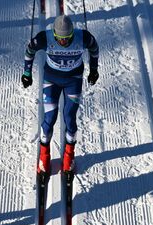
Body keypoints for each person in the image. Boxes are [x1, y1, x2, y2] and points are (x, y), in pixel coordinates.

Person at [22, 15, 99, 175]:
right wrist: (27, 73)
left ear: (72, 33)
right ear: (54, 34)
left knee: (70, 117)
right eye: (60, 39)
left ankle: (69, 156)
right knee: (49, 118)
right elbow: (30, 51)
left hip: (73, 81)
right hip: (52, 80)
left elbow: (94, 49)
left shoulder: (83, 36)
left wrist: (94, 69)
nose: (64, 42)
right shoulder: (45, 38)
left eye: (67, 38)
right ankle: (44, 157)